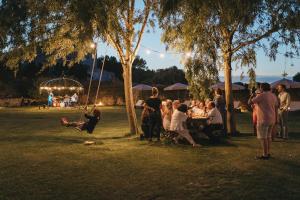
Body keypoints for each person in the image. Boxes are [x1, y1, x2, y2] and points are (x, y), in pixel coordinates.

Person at [249, 83, 278, 160]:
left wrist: (252, 95)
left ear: (262, 88)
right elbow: (275, 106)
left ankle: (265, 154)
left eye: (260, 87)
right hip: (272, 119)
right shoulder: (273, 95)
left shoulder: (261, 95)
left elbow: (250, 102)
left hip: (263, 119)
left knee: (263, 137)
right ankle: (267, 153)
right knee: (268, 137)